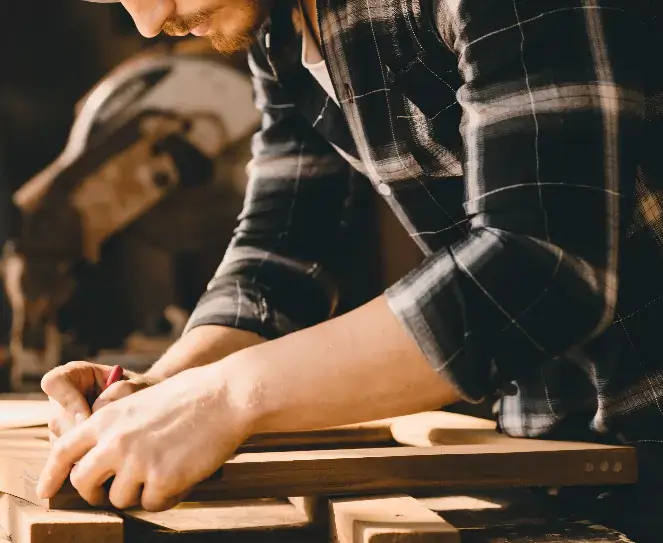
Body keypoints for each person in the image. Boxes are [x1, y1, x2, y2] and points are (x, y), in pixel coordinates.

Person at [37, 0, 663, 538]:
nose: (147, 22)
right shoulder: (279, 26)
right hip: (556, 456)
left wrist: (227, 396)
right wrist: (161, 393)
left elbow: (544, 268)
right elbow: (281, 255)